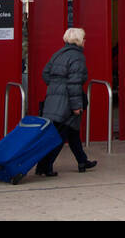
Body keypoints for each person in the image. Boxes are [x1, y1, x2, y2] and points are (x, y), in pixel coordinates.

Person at [36, 27, 98, 176]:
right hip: (67, 102)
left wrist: (56, 86)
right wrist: (76, 106)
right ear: (78, 40)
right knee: (59, 136)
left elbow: (45, 74)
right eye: (83, 38)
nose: (85, 41)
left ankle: (82, 160)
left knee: (72, 132)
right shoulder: (77, 57)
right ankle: (45, 167)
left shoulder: (58, 54)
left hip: (53, 99)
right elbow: (75, 83)